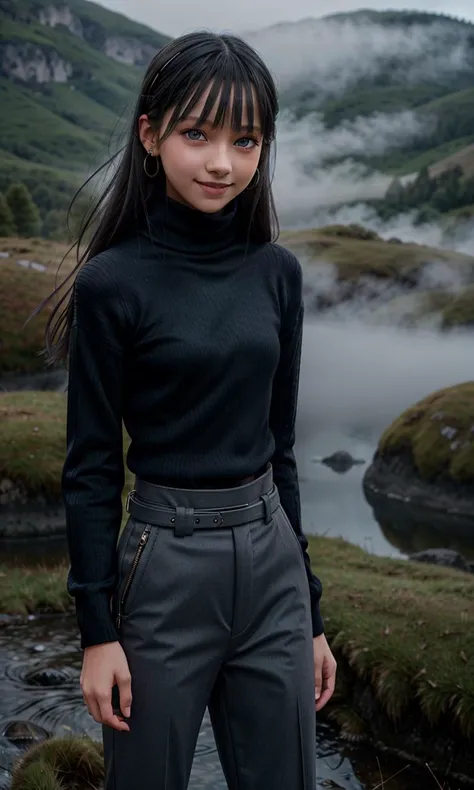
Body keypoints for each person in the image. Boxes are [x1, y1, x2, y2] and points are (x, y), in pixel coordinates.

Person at [40, 30, 337, 790]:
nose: (222, 162)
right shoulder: (113, 283)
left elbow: (282, 448)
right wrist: (97, 634)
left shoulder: (277, 274)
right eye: (197, 134)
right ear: (151, 134)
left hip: (270, 565)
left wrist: (311, 615)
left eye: (246, 141)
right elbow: (92, 468)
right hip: (164, 567)